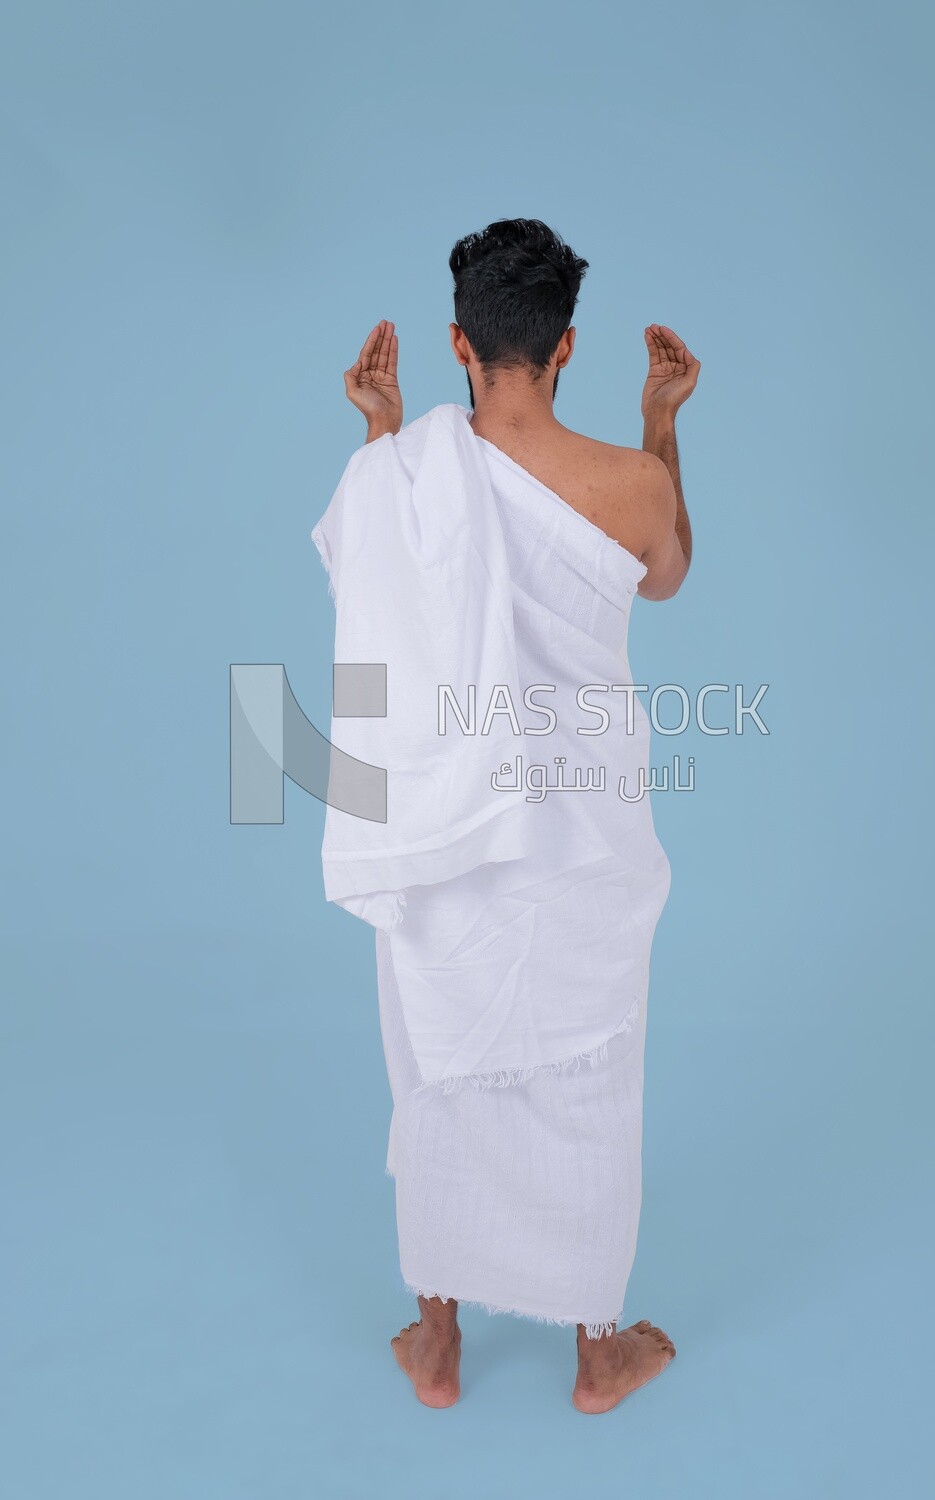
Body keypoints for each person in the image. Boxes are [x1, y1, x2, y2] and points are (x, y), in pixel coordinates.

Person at [329, 218, 697, 1413]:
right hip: (578, 837)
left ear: (456, 344)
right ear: (568, 347)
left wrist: (383, 443)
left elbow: (377, 590)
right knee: (588, 1082)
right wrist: (661, 426)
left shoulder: (398, 475)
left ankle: (435, 1343)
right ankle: (598, 1354)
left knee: (436, 1069)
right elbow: (666, 571)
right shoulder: (630, 483)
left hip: (436, 830)